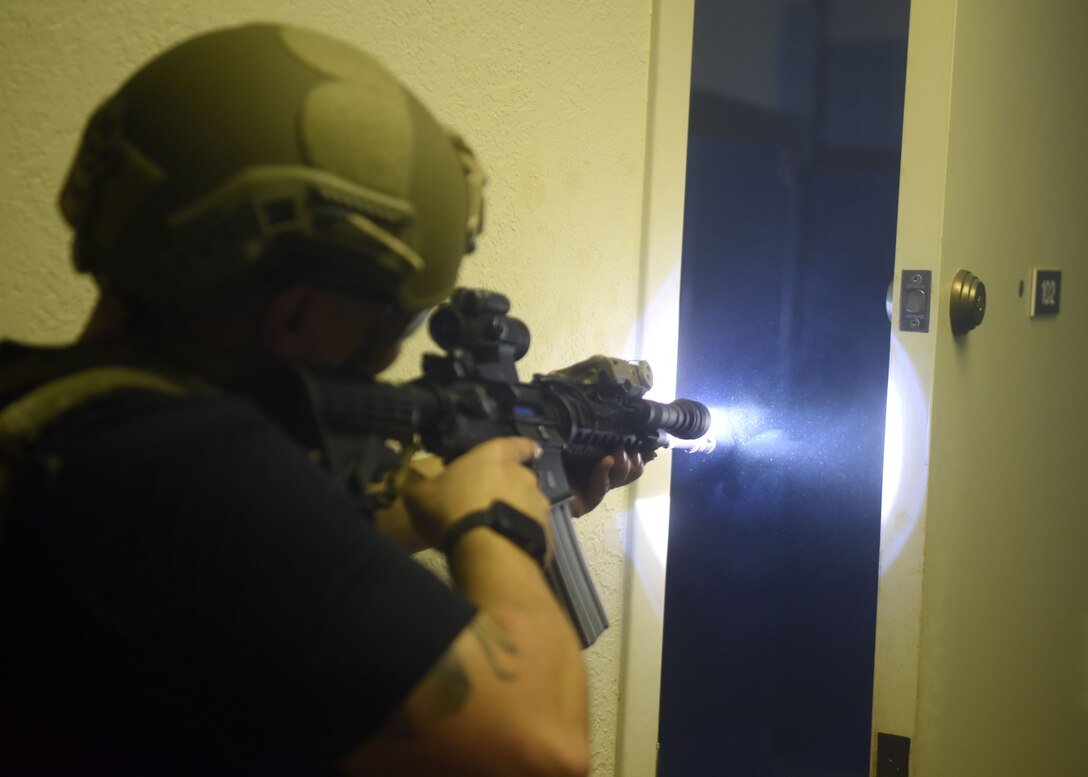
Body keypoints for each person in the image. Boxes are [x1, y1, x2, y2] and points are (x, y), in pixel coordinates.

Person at [0, 22, 646, 776]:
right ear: (297, 313)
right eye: (399, 317)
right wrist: (499, 523)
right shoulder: (189, 464)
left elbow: (263, 566)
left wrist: (441, 507)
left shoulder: (63, 418)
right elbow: (539, 745)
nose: (393, 353)